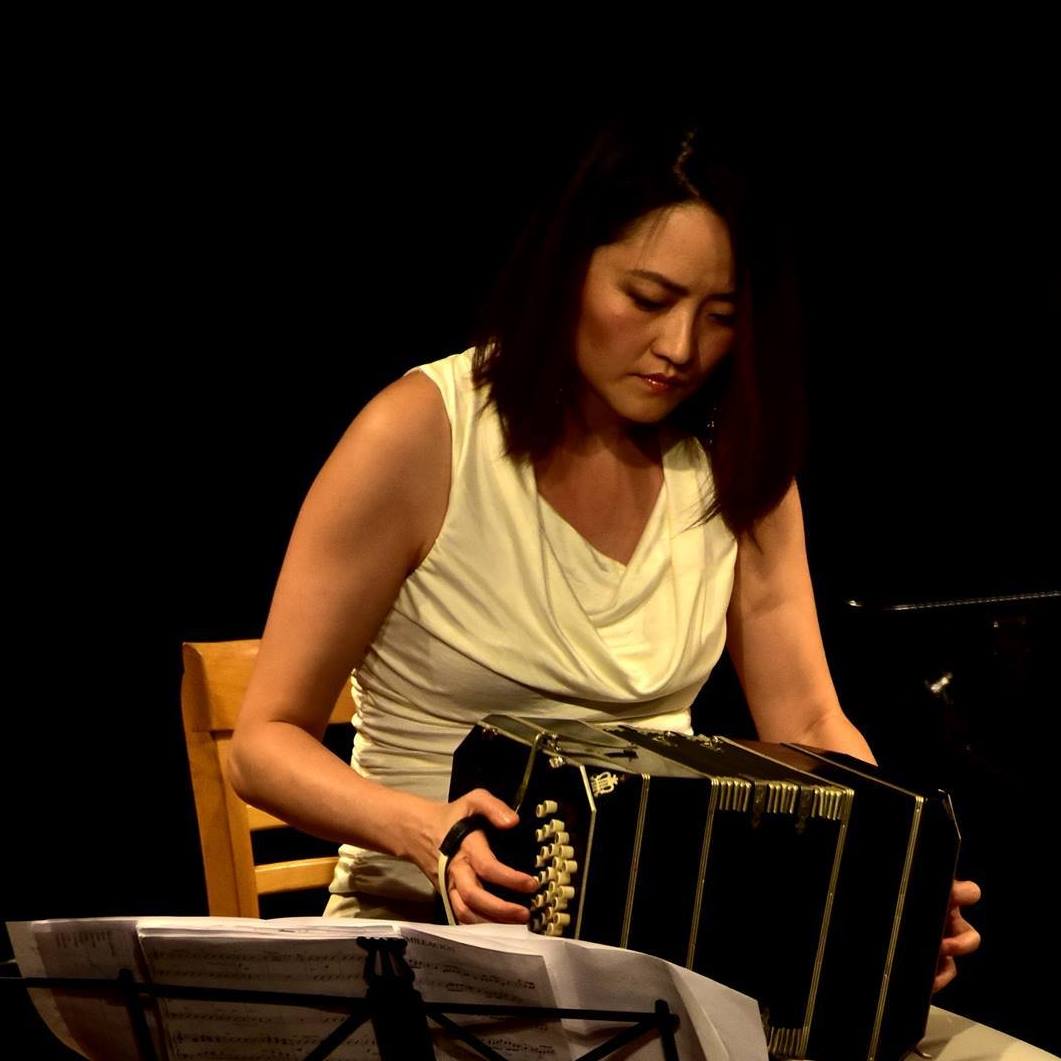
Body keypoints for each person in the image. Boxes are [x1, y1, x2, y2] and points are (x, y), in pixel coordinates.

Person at [229, 115, 979, 991]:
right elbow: (263, 742)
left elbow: (809, 725)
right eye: (648, 298)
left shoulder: (737, 468)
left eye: (720, 316)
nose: (679, 348)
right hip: (425, 943)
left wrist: (891, 873)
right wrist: (429, 830)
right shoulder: (422, 434)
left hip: (655, 961)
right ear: (567, 267)